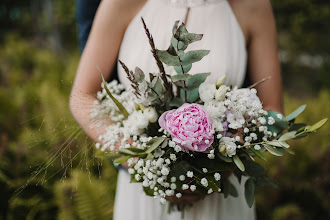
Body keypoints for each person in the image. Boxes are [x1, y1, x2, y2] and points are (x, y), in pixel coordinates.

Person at [70, 0, 283, 219]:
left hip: (222, 193)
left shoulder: (252, 6)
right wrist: (142, 162)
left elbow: (273, 108)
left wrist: (231, 155)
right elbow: (82, 96)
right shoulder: (119, 3)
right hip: (144, 195)